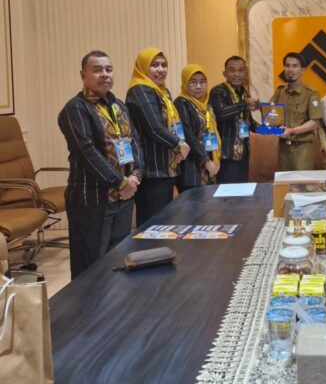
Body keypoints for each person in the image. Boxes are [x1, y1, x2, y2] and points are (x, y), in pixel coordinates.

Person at [58, 50, 143, 278]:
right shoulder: (76, 108)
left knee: (118, 259)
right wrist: (121, 182)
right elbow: (87, 152)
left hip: (124, 199)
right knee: (91, 267)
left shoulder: (119, 106)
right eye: (97, 70)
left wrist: (135, 176)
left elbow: (135, 142)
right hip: (92, 200)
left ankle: (114, 301)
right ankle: (88, 304)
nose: (104, 74)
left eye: (108, 69)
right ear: (83, 75)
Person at [126, 48, 190, 226]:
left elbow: (171, 125)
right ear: (142, 67)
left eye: (164, 65)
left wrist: (179, 145)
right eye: (154, 65)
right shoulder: (140, 90)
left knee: (163, 223)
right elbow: (154, 128)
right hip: (152, 170)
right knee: (152, 225)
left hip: (165, 167)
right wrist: (180, 144)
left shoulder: (162, 91)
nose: (160, 69)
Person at [209, 56, 259, 183]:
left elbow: (249, 122)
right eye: (232, 70)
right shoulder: (218, 91)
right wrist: (244, 104)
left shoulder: (244, 93)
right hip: (227, 155)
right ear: (224, 73)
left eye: (241, 70)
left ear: (245, 73)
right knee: (228, 192)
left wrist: (268, 128)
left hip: (244, 154)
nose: (237, 74)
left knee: (243, 191)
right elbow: (222, 113)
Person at [271, 52, 322, 171]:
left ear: (302, 70)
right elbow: (269, 112)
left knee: (301, 182)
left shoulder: (311, 93)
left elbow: (315, 122)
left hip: (302, 149)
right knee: (283, 182)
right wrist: (257, 105)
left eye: (295, 66)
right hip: (283, 149)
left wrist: (292, 131)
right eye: (287, 65)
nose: (290, 70)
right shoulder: (280, 91)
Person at [175, 64, 221, 191]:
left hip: (209, 165)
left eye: (202, 82)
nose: (198, 86)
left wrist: (216, 158)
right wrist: (206, 160)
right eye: (193, 82)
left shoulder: (206, 105)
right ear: (185, 83)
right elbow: (189, 135)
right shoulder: (181, 103)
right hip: (192, 168)